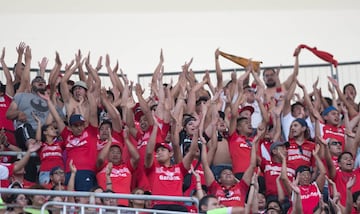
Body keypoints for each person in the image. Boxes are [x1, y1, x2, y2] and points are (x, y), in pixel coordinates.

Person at [40, 89, 99, 191]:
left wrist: (90, 96)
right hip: (68, 172)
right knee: (68, 201)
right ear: (70, 127)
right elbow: (57, 118)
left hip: (86, 171)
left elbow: (93, 113)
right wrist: (48, 101)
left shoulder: (90, 133)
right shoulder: (67, 135)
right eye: (76, 126)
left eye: (81, 125)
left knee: (83, 200)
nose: (79, 127)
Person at [144, 112, 198, 212]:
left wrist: (196, 132)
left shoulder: (179, 168)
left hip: (177, 207)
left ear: (171, 154)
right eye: (158, 151)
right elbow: (148, 153)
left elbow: (192, 152)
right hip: (159, 207)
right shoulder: (153, 168)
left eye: (163, 150)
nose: (159, 152)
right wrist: (155, 128)